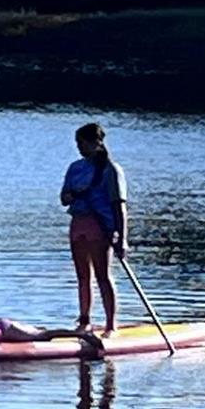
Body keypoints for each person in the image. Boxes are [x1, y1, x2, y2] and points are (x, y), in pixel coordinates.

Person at [59, 120, 128, 336]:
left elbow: (119, 206)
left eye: (82, 143)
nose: (79, 147)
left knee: (102, 276)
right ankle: (84, 321)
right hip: (78, 223)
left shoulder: (111, 169)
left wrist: (122, 238)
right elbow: (64, 198)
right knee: (82, 276)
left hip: (100, 227)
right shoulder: (75, 168)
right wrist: (73, 194)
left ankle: (110, 325)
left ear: (95, 142)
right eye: (77, 143)